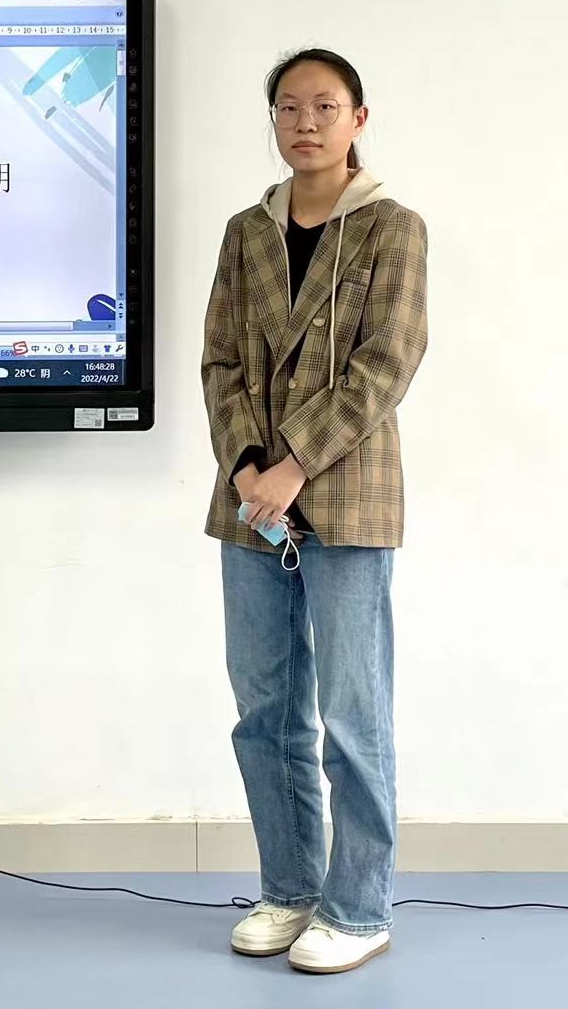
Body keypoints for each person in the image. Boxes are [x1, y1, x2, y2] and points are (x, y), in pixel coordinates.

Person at [200, 48, 429, 975]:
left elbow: (388, 361)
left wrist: (293, 464)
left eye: (324, 106)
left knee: (353, 713)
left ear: (357, 119)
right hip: (251, 501)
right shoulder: (245, 232)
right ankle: (289, 889)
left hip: (346, 493)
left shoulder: (391, 227)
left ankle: (359, 907)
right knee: (264, 709)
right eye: (289, 107)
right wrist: (250, 467)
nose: (305, 122)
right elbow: (219, 360)